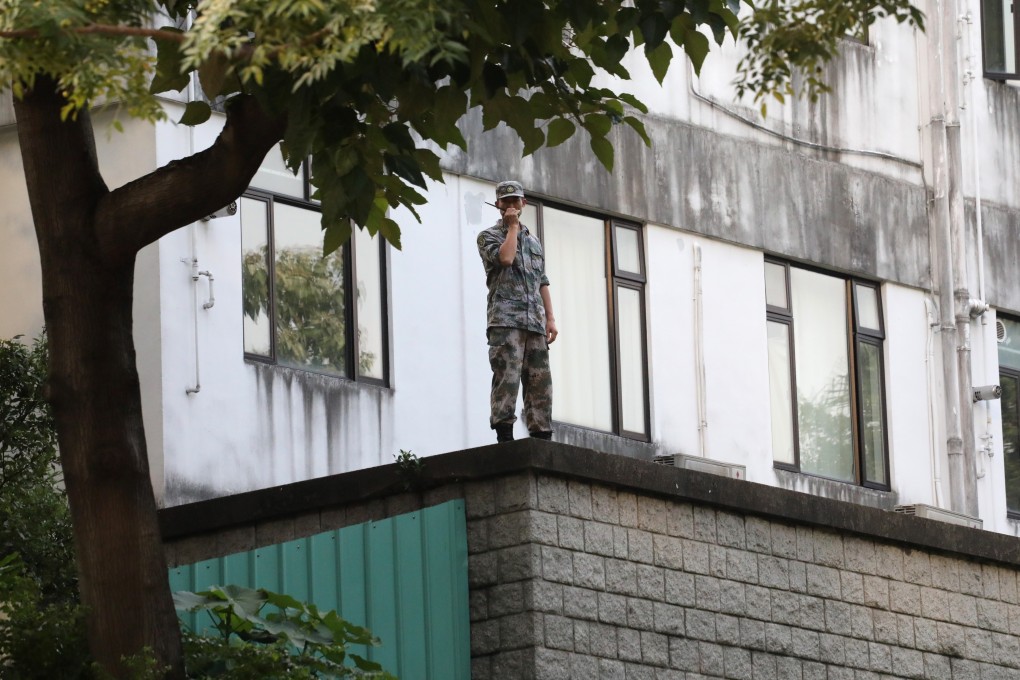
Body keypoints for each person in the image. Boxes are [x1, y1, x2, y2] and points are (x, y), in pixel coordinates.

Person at [476, 180, 558, 443]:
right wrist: (511, 228)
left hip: (534, 322)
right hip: (505, 320)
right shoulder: (488, 236)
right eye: (506, 200)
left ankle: (542, 436)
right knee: (507, 378)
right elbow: (506, 259)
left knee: (540, 382)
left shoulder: (534, 242)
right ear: (498, 204)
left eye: (515, 200)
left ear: (524, 203)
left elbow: (541, 281)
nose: (511, 205)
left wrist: (551, 318)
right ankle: (505, 438)